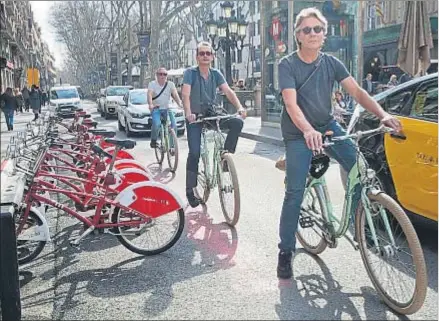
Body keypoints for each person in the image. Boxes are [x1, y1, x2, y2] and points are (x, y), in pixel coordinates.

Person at [277, 7, 402, 279]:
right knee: (295, 193)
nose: (313, 34)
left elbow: (357, 91)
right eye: (306, 29)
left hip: (327, 126)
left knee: (360, 166)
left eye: (318, 29)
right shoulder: (287, 64)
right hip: (299, 133)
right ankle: (285, 251)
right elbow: (290, 103)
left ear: (324, 34)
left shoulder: (332, 63)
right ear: (298, 35)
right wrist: (308, 130)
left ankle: (356, 221)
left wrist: (384, 114)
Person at [181, 41, 247, 208]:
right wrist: (188, 112)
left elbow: (228, 91)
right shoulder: (190, 73)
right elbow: (185, 94)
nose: (205, 56)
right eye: (201, 53)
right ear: (197, 57)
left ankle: (225, 158)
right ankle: (190, 189)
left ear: (212, 56)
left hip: (212, 114)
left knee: (237, 123)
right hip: (195, 117)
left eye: (208, 53)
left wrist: (239, 107)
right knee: (195, 153)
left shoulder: (216, 73)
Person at [147, 67, 183, 149]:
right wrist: (150, 104)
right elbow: (149, 94)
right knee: (156, 124)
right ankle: (153, 140)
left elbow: (175, 94)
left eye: (165, 74)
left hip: (167, 108)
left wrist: (180, 103)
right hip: (156, 108)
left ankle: (172, 147)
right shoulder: (152, 84)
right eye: (160, 74)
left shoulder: (170, 84)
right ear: (157, 75)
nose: (163, 76)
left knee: (174, 125)